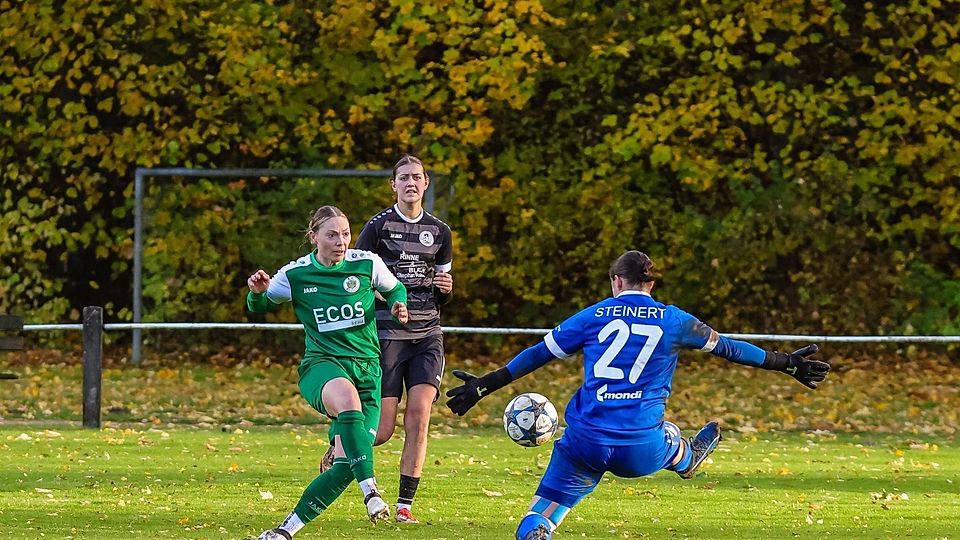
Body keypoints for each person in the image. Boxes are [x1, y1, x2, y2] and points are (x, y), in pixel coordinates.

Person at [446, 250, 830, 540]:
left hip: (585, 442)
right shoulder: (674, 319)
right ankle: (686, 458)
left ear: (616, 281)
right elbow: (729, 348)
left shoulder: (593, 316)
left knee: (541, 515)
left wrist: (484, 385)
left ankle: (539, 531)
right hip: (642, 449)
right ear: (651, 285)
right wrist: (785, 363)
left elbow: (536, 355)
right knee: (672, 436)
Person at [248, 205, 409, 540]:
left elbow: (395, 289)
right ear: (314, 237)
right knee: (348, 405)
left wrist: (398, 305)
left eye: (346, 233)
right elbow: (261, 306)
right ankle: (371, 491)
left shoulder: (367, 263)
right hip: (323, 365)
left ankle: (285, 530)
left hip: (368, 369)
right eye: (332, 234)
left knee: (347, 463)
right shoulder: (296, 274)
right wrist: (257, 293)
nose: (341, 241)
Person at [319, 153, 454, 524]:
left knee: (420, 415)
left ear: (426, 184)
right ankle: (340, 442)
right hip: (387, 336)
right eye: (404, 178)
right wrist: (385, 298)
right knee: (381, 431)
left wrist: (446, 289)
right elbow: (357, 275)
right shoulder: (378, 227)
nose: (411, 183)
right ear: (393, 185)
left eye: (417, 177)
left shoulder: (440, 232)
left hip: (428, 335)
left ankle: (404, 505)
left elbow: (442, 290)